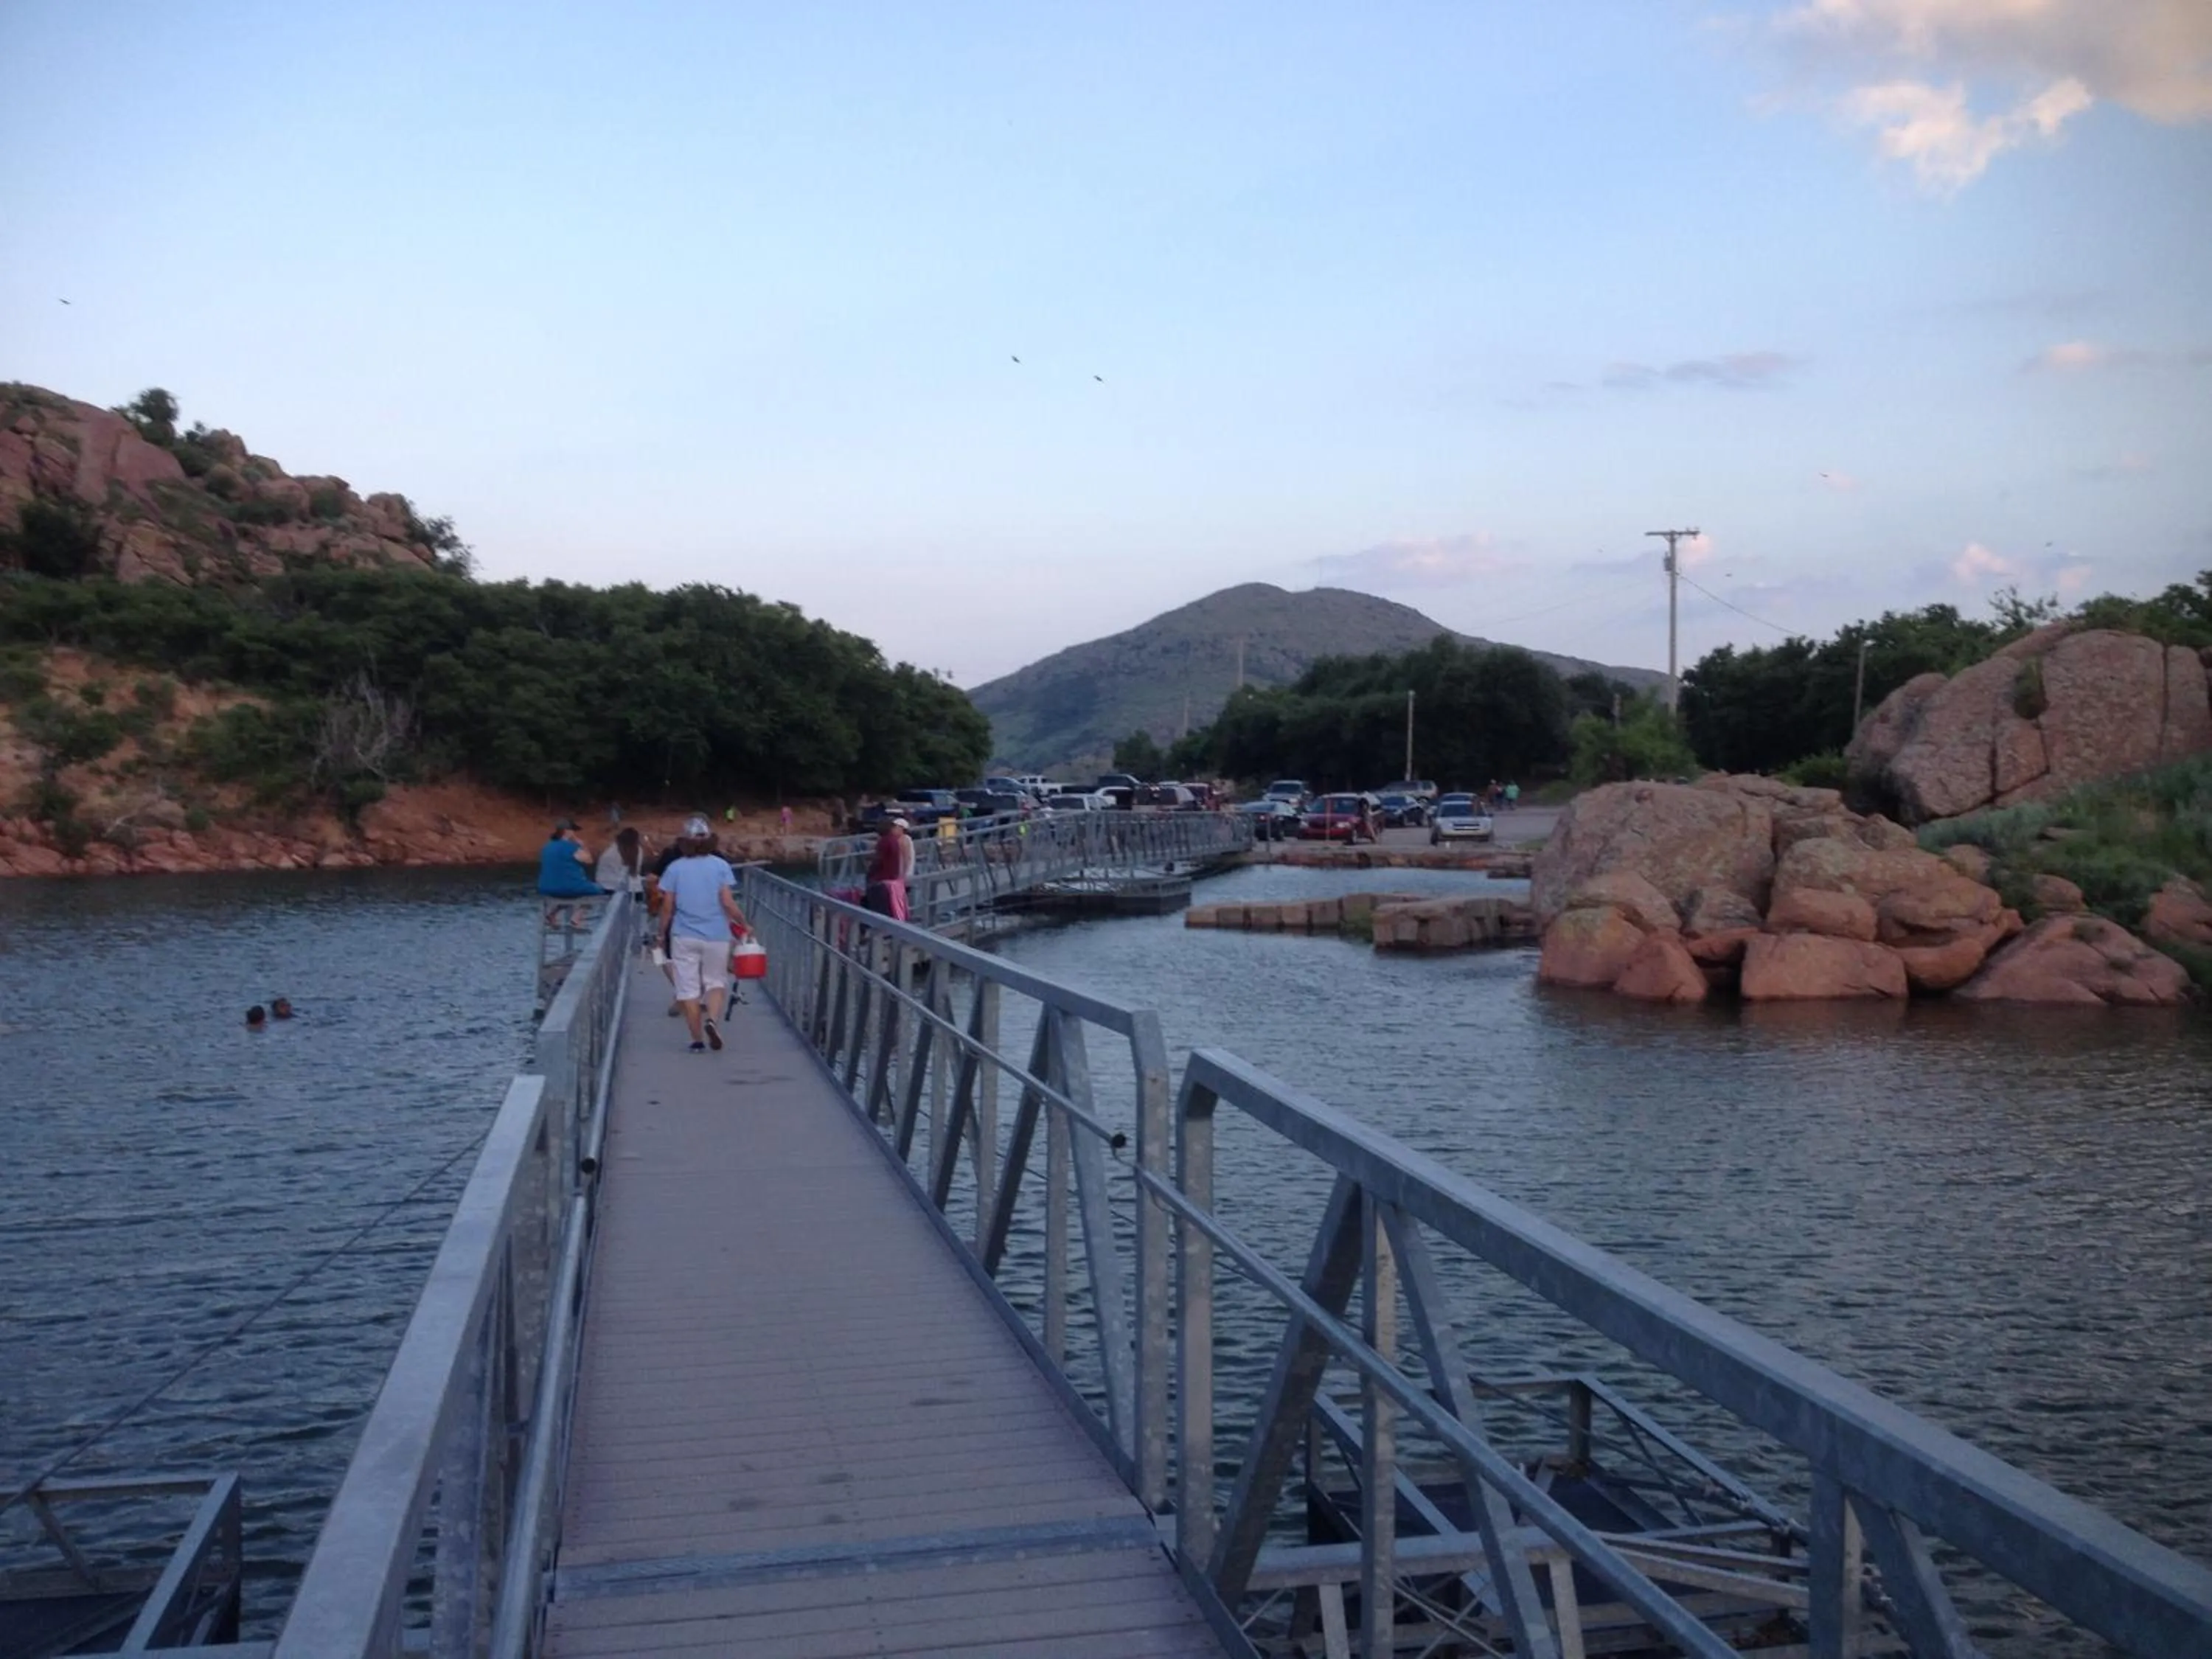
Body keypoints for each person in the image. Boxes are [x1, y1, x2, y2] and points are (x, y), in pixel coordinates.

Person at [658, 815, 745, 1053]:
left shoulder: (674, 868)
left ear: (683, 842)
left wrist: (660, 933)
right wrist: (743, 924)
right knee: (716, 982)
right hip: (717, 935)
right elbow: (727, 903)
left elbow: (667, 908)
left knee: (687, 989)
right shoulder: (720, 866)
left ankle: (696, 1041)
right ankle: (712, 1021)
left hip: (684, 936)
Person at [537, 818, 602, 926]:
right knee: (596, 891)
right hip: (570, 887)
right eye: (573, 831)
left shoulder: (547, 847)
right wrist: (582, 845)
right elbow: (589, 860)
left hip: (546, 887)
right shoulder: (572, 847)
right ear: (567, 831)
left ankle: (553, 913)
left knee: (567, 895)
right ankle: (577, 917)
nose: (574, 833)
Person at [863, 817, 911, 920]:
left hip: (882, 879)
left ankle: (871, 928)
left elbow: (879, 860)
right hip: (891, 878)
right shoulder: (894, 840)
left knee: (877, 907)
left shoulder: (884, 841)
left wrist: (870, 873)